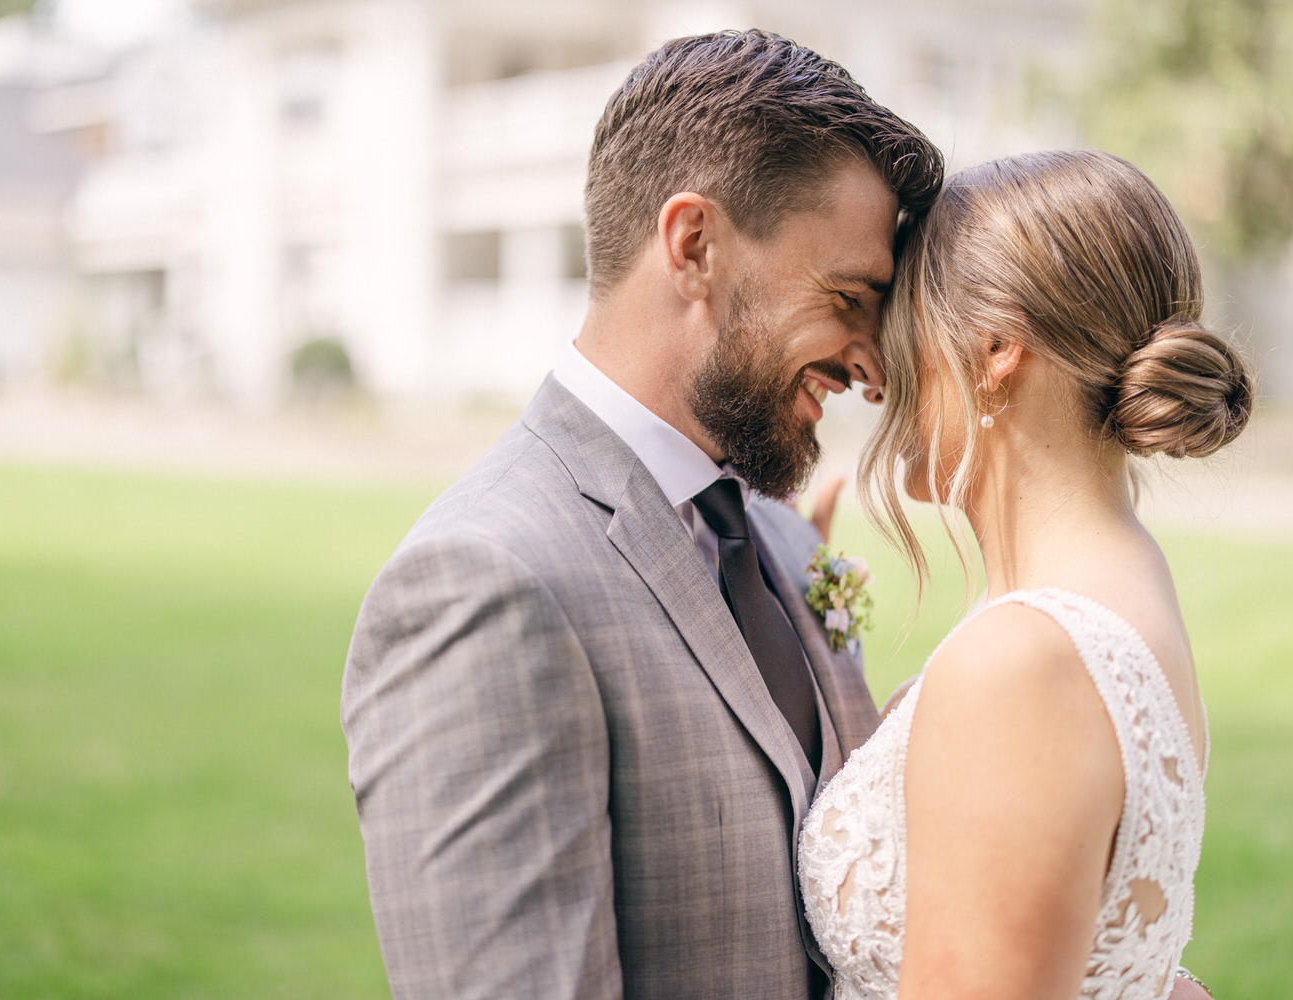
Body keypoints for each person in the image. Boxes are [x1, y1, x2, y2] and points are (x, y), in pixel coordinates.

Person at [340, 30, 943, 999]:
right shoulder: (485, 581)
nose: (872, 365)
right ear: (694, 246)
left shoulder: (784, 544)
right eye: (849, 299)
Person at [799, 149, 1252, 999]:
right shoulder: (1124, 588)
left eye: (899, 318)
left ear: (996, 348)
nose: (872, 371)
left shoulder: (1023, 662)